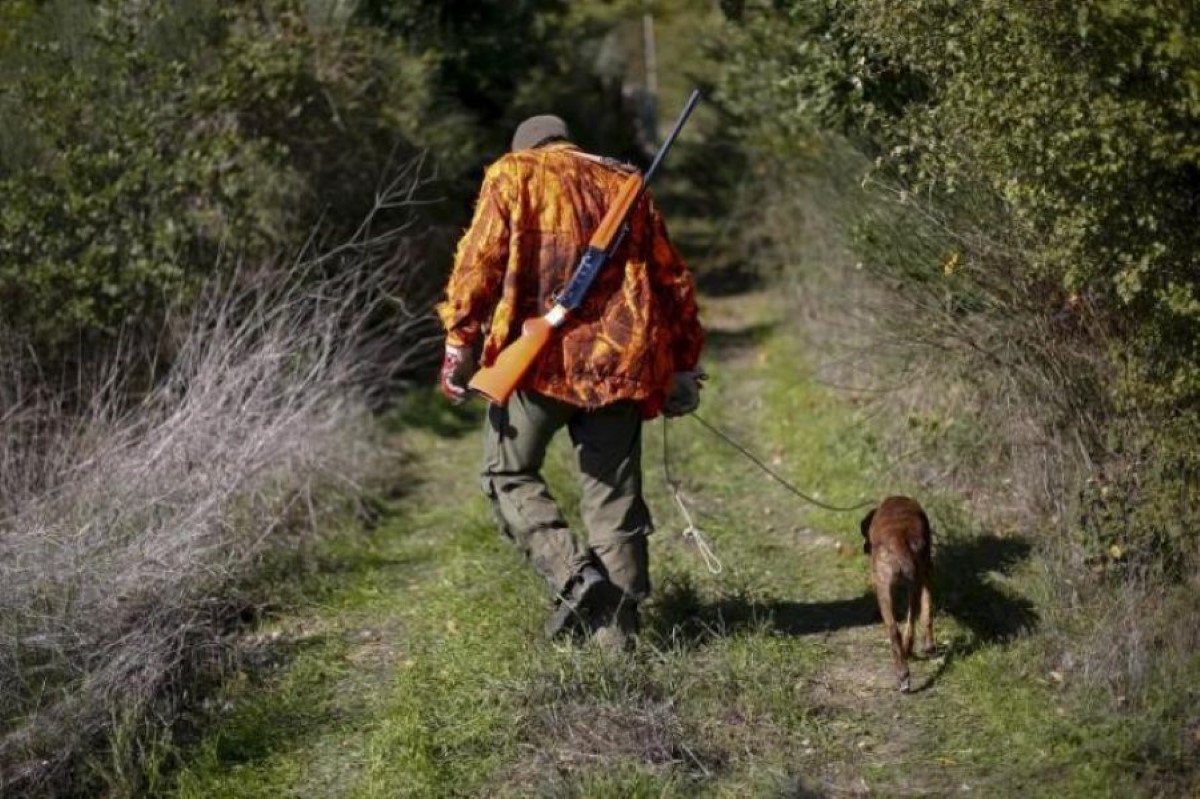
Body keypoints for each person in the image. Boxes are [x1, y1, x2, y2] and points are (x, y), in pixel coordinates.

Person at [435, 113, 704, 649]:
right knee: (613, 500)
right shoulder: (627, 185)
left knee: (505, 474)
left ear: (527, 147)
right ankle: (619, 648)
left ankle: (576, 578)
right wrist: (682, 364)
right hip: (619, 365)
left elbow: (477, 264)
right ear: (568, 142)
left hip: (537, 365)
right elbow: (672, 280)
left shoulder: (513, 174)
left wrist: (459, 343)